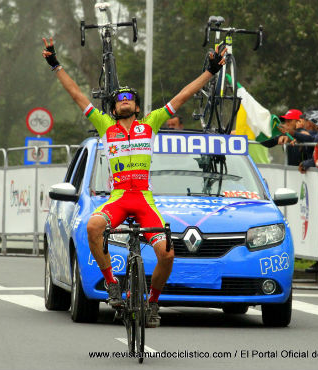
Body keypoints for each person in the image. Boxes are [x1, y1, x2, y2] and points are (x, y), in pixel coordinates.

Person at [42, 37, 226, 328]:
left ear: (137, 107)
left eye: (129, 98)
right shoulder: (106, 126)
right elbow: (77, 95)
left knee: (166, 252)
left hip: (142, 199)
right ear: (114, 109)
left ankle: (153, 302)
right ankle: (112, 285)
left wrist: (210, 72)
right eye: (119, 99)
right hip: (118, 198)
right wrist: (55, 64)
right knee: (92, 226)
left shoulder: (149, 124)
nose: (124, 100)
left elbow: (181, 97)